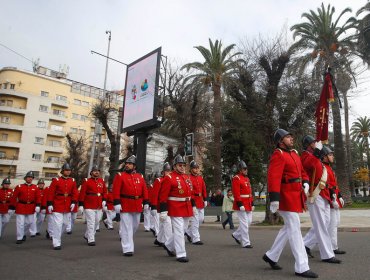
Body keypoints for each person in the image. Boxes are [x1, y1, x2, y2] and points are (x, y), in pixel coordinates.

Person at [262, 129, 318, 278]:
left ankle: (271, 256)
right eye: (287, 137)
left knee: (289, 227)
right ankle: (301, 266)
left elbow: (302, 172)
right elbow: (273, 177)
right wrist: (274, 198)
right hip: (285, 196)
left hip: (296, 194)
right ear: (280, 141)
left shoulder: (294, 153)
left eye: (291, 136)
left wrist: (305, 182)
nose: (291, 139)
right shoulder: (278, 154)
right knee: (294, 229)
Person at [301, 136, 341, 264]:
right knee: (321, 225)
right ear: (308, 145)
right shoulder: (305, 156)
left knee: (326, 223)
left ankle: (305, 245)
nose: (316, 143)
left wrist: (333, 195)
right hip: (315, 193)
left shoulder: (316, 156)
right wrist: (318, 152)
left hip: (323, 194)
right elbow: (309, 165)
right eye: (313, 142)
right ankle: (327, 254)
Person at [159, 155, 194, 263]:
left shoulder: (187, 177)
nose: (182, 167)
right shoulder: (169, 178)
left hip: (186, 206)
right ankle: (181, 254)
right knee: (179, 230)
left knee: (182, 230)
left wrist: (193, 206)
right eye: (180, 165)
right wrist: (163, 211)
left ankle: (169, 245)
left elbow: (190, 193)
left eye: (184, 165)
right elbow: (163, 196)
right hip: (175, 207)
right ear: (174, 166)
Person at [112, 155, 149, 256]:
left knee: (135, 226)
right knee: (127, 226)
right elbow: (116, 190)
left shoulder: (139, 176)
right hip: (125, 204)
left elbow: (144, 190)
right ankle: (127, 248)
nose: (127, 165)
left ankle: (125, 237)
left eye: (130, 164)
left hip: (137, 204)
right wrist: (117, 202)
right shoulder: (120, 176)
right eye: (127, 163)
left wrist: (146, 202)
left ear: (134, 166)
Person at [47, 163, 79, 250]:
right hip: (58, 204)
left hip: (68, 204)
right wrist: (50, 204)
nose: (68, 172)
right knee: (58, 224)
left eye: (69, 170)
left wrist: (73, 202)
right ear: (62, 171)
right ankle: (56, 242)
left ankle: (56, 236)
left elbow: (75, 192)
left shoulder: (72, 181)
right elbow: (51, 192)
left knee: (65, 223)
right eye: (66, 170)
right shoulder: (56, 180)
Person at [324, 146, 346, 255]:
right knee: (332, 225)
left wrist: (340, 196)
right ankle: (333, 247)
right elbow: (328, 186)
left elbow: (335, 185)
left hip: (335, 196)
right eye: (330, 154)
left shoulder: (330, 168)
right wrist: (333, 199)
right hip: (330, 198)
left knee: (336, 223)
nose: (332, 156)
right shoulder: (324, 168)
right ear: (324, 157)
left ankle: (328, 244)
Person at [78, 166, 107, 246]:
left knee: (97, 221)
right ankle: (91, 239)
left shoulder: (102, 181)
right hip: (89, 204)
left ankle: (87, 235)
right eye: (94, 171)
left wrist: (104, 200)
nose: (96, 172)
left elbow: (104, 192)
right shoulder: (87, 181)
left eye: (98, 171)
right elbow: (82, 193)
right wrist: (81, 204)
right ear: (91, 173)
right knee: (91, 222)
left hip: (99, 205)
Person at [9, 171, 41, 244]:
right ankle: (19, 237)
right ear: (25, 178)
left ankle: (23, 233)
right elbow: (14, 197)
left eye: (31, 178)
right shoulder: (19, 186)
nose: (30, 179)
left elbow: (38, 197)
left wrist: (38, 205)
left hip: (31, 207)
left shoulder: (35, 187)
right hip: (21, 206)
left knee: (29, 223)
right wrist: (12, 207)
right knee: (20, 223)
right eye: (28, 177)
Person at [231, 160, 254, 248]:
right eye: (244, 169)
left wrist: (252, 203)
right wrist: (240, 204)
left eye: (246, 169)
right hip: (241, 203)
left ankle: (236, 235)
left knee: (249, 221)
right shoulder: (236, 178)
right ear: (240, 170)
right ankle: (246, 242)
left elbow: (250, 192)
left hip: (248, 202)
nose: (246, 170)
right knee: (244, 223)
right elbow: (236, 193)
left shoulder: (247, 179)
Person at [185, 160, 207, 245]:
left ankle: (188, 232)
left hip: (200, 200)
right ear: (191, 169)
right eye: (195, 168)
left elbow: (204, 189)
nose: (197, 169)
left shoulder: (200, 178)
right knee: (195, 220)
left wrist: (205, 199)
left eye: (197, 168)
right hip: (193, 201)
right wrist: (193, 203)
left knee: (200, 219)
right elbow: (190, 192)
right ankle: (196, 238)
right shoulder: (188, 178)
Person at [152, 162, 172, 247]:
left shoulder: (172, 180)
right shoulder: (159, 180)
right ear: (163, 172)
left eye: (169, 171)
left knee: (163, 224)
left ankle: (159, 239)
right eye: (166, 171)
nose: (168, 172)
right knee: (167, 223)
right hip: (161, 205)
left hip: (170, 205)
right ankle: (168, 243)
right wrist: (153, 206)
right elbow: (155, 194)